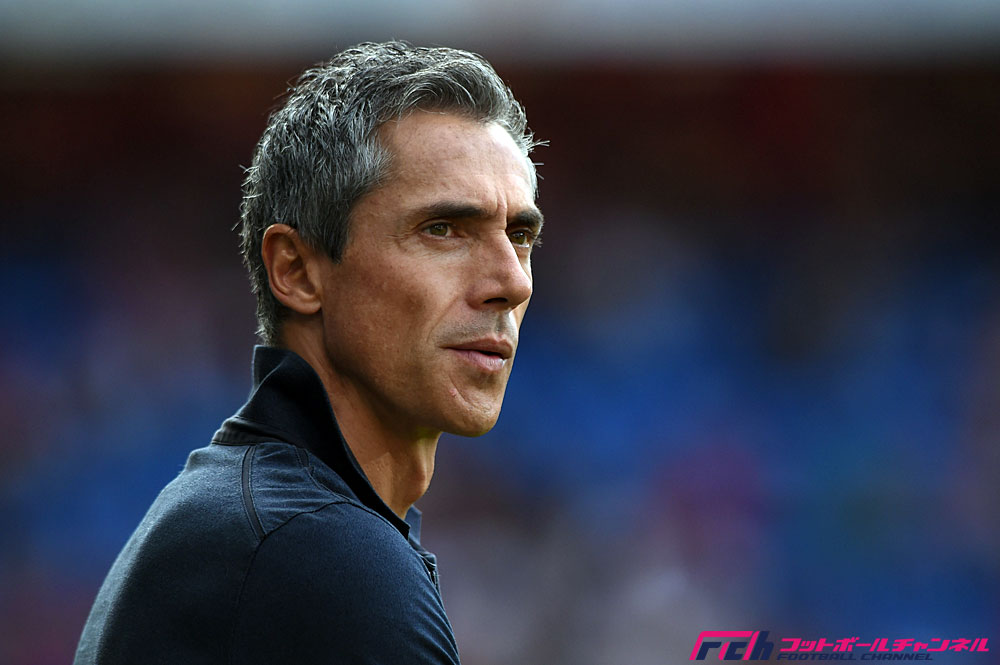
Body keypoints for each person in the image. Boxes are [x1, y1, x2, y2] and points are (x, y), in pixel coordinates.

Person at [73, 41, 543, 664]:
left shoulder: (253, 522)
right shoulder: (318, 555)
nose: (512, 282)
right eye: (442, 229)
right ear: (296, 271)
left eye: (520, 235)